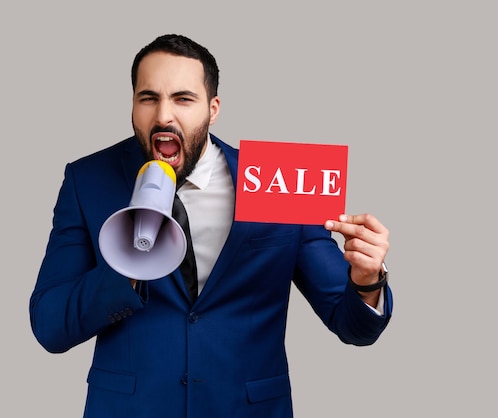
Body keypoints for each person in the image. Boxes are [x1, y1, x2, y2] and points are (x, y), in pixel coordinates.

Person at [29, 34, 393, 418]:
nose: (164, 116)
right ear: (133, 104)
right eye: (148, 98)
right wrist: (126, 271)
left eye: (183, 99)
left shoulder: (280, 179)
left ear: (212, 108)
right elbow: (50, 327)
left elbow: (354, 328)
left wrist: (367, 280)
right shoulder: (87, 180)